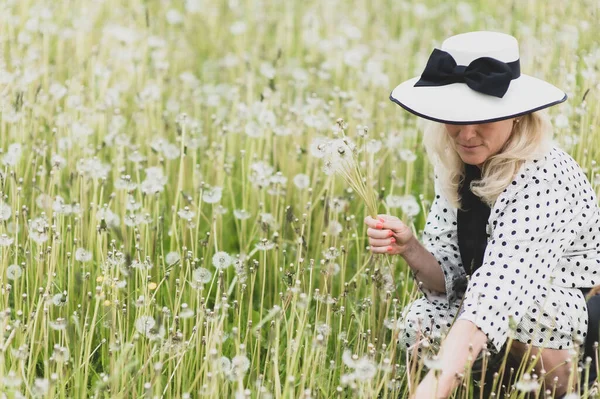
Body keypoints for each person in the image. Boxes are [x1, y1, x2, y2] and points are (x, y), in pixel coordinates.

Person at [364, 31, 600, 398]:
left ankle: (558, 387)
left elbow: (492, 303)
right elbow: (451, 278)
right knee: (420, 321)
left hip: (567, 314)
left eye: (483, 119)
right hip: (493, 302)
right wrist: (410, 247)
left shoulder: (542, 178)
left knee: (520, 315)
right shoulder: (461, 164)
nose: (466, 134)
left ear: (518, 117)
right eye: (455, 118)